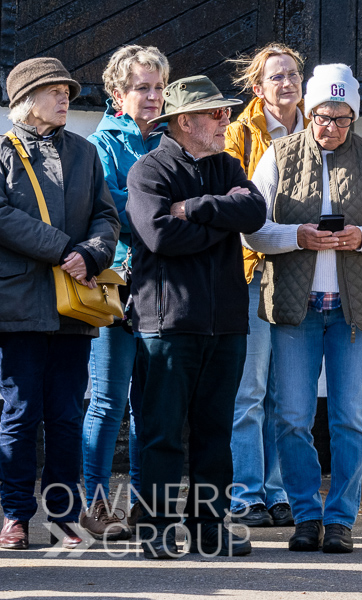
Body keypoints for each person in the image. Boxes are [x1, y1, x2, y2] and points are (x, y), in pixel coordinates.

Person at [243, 64, 362, 554]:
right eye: (321, 116)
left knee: (350, 418)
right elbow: (251, 229)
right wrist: (296, 235)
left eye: (341, 118)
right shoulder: (278, 155)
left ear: (353, 117)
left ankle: (340, 518)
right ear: (309, 110)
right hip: (295, 308)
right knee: (292, 416)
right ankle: (305, 514)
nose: (331, 127)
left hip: (354, 311)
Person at [126, 75, 266, 559]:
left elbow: (254, 212)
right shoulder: (149, 171)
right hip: (167, 325)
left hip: (226, 323)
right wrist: (222, 222)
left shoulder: (227, 165)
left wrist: (197, 209)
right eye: (216, 113)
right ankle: (158, 529)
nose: (227, 119)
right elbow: (161, 237)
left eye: (226, 111)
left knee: (215, 434)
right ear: (185, 121)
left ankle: (208, 527)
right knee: (163, 435)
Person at [0, 58, 119, 550]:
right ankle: (15, 516)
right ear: (26, 101)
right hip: (19, 305)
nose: (65, 96)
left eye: (67, 89)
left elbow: (106, 217)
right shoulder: (3, 153)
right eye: (54, 90)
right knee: (20, 414)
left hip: (75, 308)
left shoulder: (84, 153)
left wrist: (91, 253)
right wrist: (62, 249)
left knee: (67, 416)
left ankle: (65, 517)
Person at [81, 44, 170, 541]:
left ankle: (140, 506)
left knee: (147, 406)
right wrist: (164, 207)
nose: (153, 96)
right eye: (142, 87)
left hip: (163, 289)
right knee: (107, 402)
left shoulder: (170, 139)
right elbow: (112, 205)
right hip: (114, 286)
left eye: (159, 87)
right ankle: (94, 507)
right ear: (117, 94)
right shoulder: (100, 145)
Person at [223, 43, 309, 529]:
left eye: (293, 74)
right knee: (250, 390)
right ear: (258, 88)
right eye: (276, 76)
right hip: (254, 271)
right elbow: (232, 202)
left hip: (303, 273)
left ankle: (279, 492)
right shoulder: (238, 133)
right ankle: (246, 494)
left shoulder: (321, 127)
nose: (287, 83)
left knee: (287, 392)